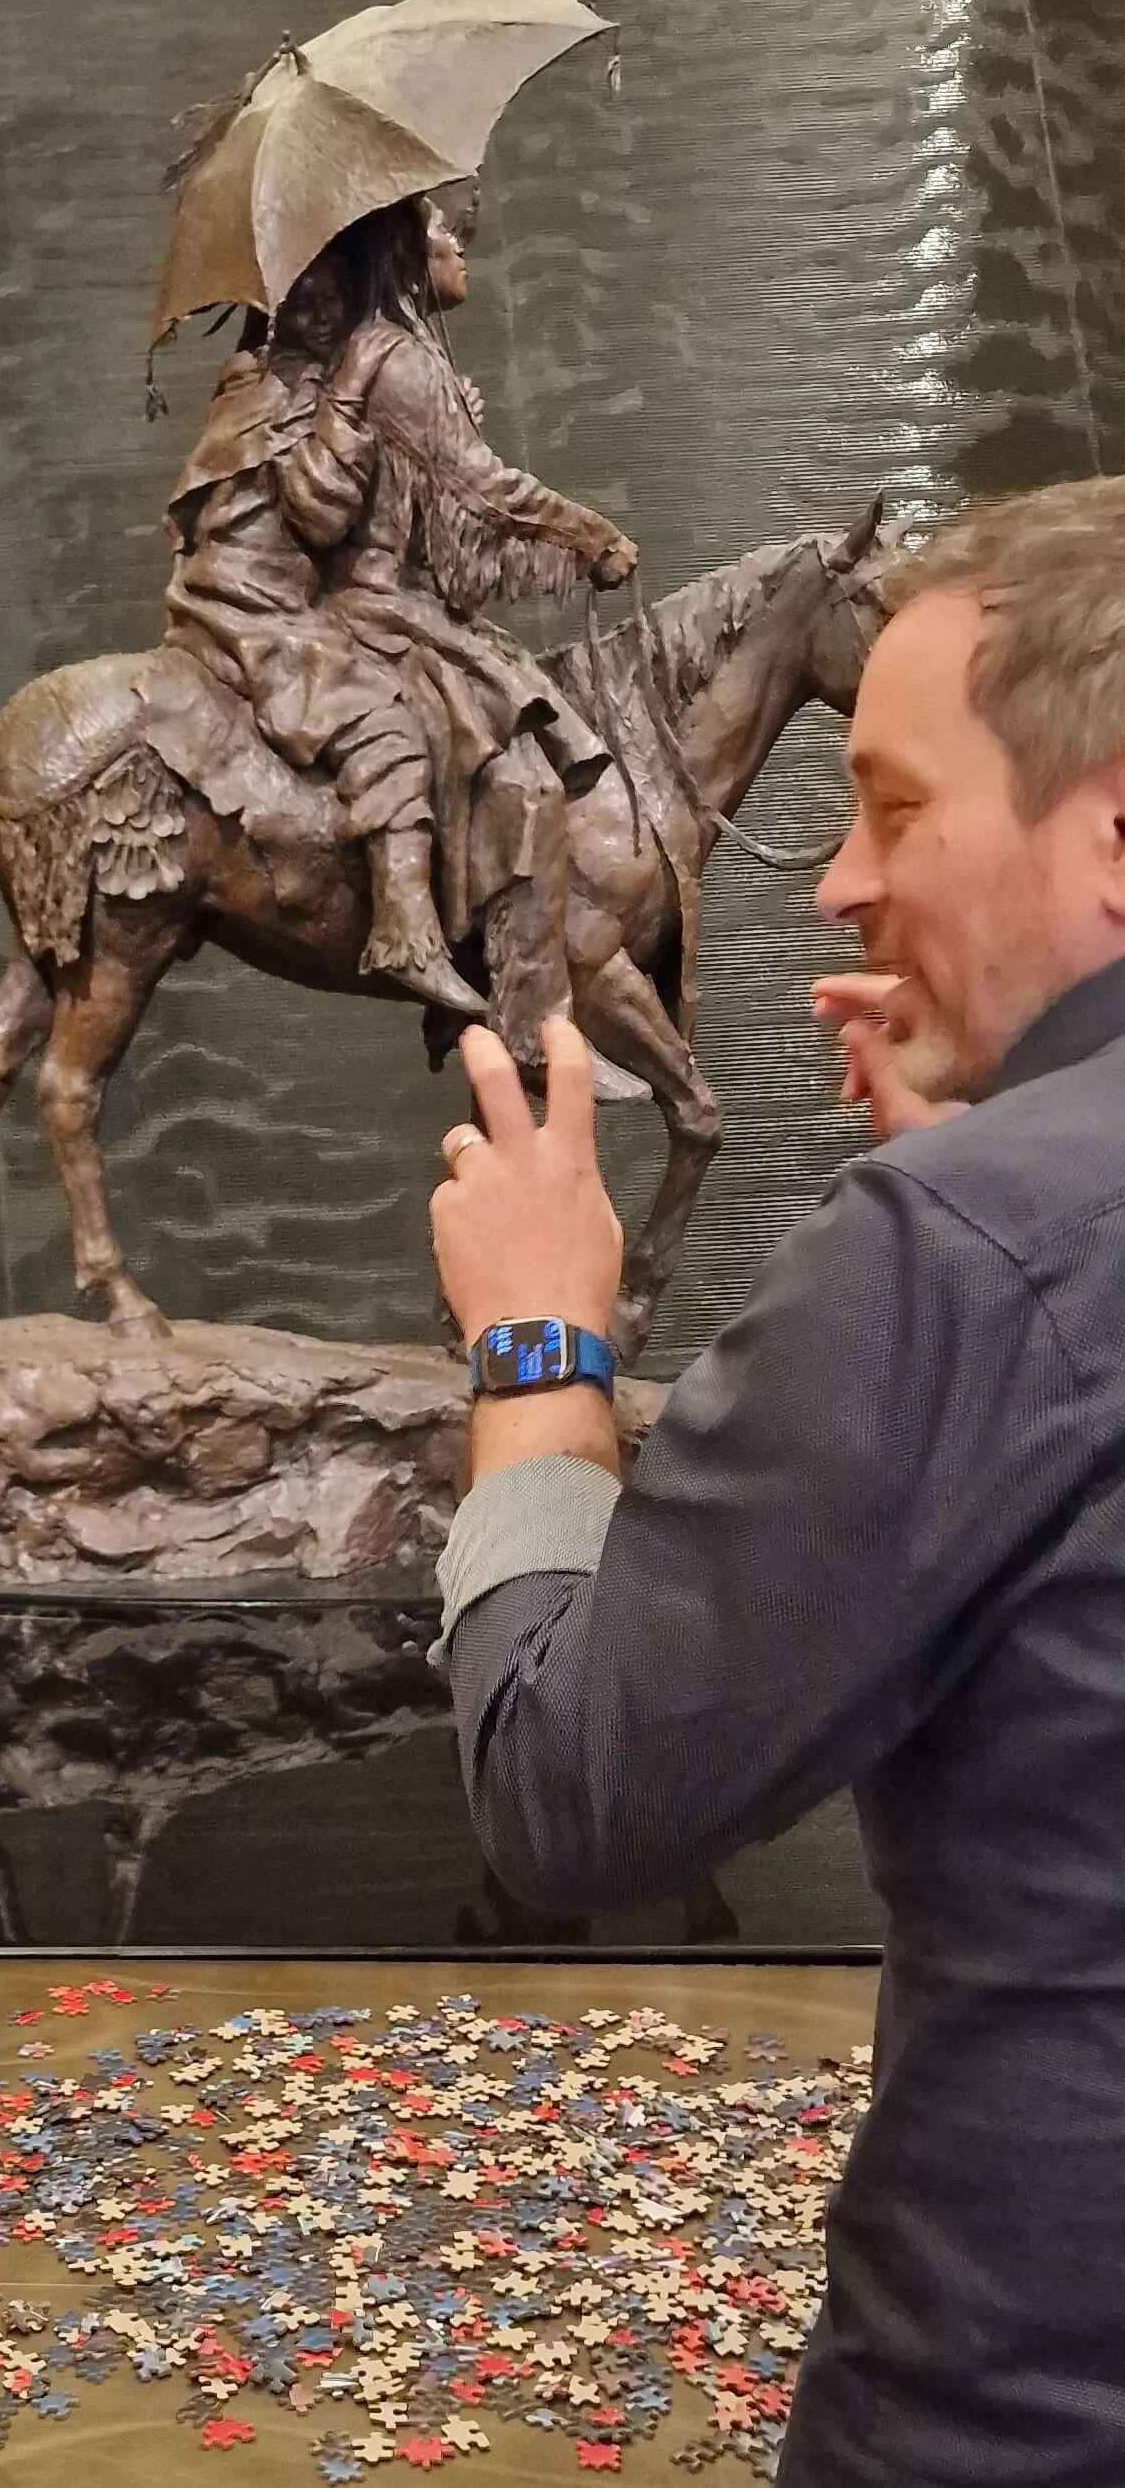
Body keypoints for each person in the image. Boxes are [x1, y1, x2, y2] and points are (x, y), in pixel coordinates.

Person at [424, 476, 1125, 2486]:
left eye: (894, 807)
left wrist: (541, 1339)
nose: (830, 883)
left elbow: (572, 1789)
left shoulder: (970, 1250)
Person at [313, 191, 640, 1073]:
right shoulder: (400, 364)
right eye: (441, 232)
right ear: (410, 258)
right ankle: (531, 1031)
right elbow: (487, 491)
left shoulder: (404, 360)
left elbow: (446, 493)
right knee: (523, 791)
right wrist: (589, 536)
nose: (459, 245)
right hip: (385, 612)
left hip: (409, 601)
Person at [161, 238, 487, 1013]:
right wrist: (347, 396)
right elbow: (321, 510)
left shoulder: (310, 381)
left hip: (284, 606)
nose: (317, 311)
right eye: (296, 299)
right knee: (385, 727)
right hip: (249, 614)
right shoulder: (272, 390)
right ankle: (405, 928)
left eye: (331, 294)